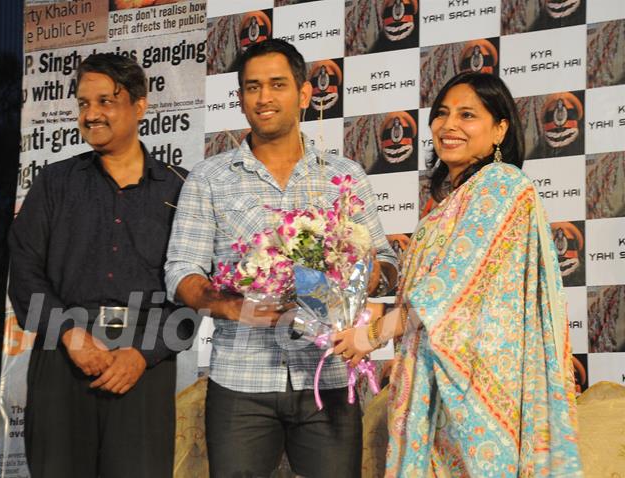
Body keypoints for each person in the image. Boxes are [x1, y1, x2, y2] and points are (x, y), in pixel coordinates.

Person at [164, 39, 398, 477]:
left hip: (327, 377)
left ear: (304, 94)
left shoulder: (344, 176)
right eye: (252, 87)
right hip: (241, 381)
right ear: (239, 99)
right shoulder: (210, 178)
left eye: (277, 85)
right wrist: (234, 306)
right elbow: (181, 271)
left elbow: (386, 263)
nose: (264, 98)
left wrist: (360, 279)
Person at [333, 72, 583, 476]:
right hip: (435, 376)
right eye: (442, 114)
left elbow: (444, 293)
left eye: (467, 115)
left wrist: (370, 334)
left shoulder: (502, 185)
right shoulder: (450, 203)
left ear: (500, 129)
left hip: (479, 389)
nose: (449, 126)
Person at [8, 53, 189, 478]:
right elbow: (25, 272)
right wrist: (70, 334)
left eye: (105, 101)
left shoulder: (182, 188)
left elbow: (192, 286)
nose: (91, 115)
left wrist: (144, 354)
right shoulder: (54, 183)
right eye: (83, 103)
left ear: (139, 106)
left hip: (144, 361)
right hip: (63, 352)